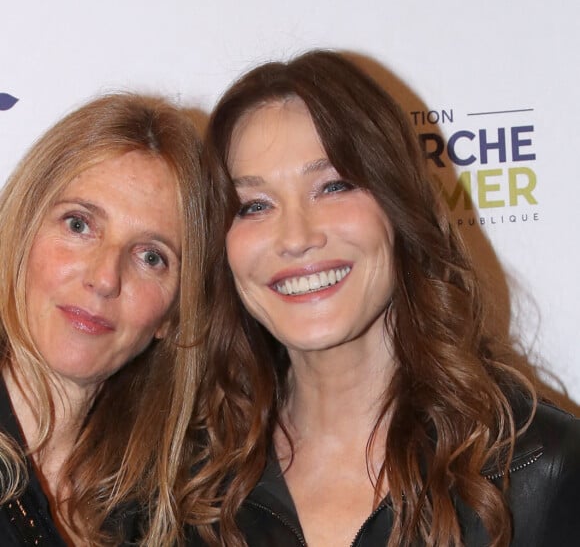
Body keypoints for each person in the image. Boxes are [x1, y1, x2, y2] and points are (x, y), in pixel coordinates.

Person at [186, 50, 580, 546]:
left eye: (333, 186)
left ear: (399, 207)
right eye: (255, 205)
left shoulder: (541, 469)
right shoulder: (187, 484)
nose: (295, 236)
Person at [0, 93, 205, 545]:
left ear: (173, 314)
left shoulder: (175, 516)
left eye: (151, 256)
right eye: (78, 225)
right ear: (20, 233)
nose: (105, 278)